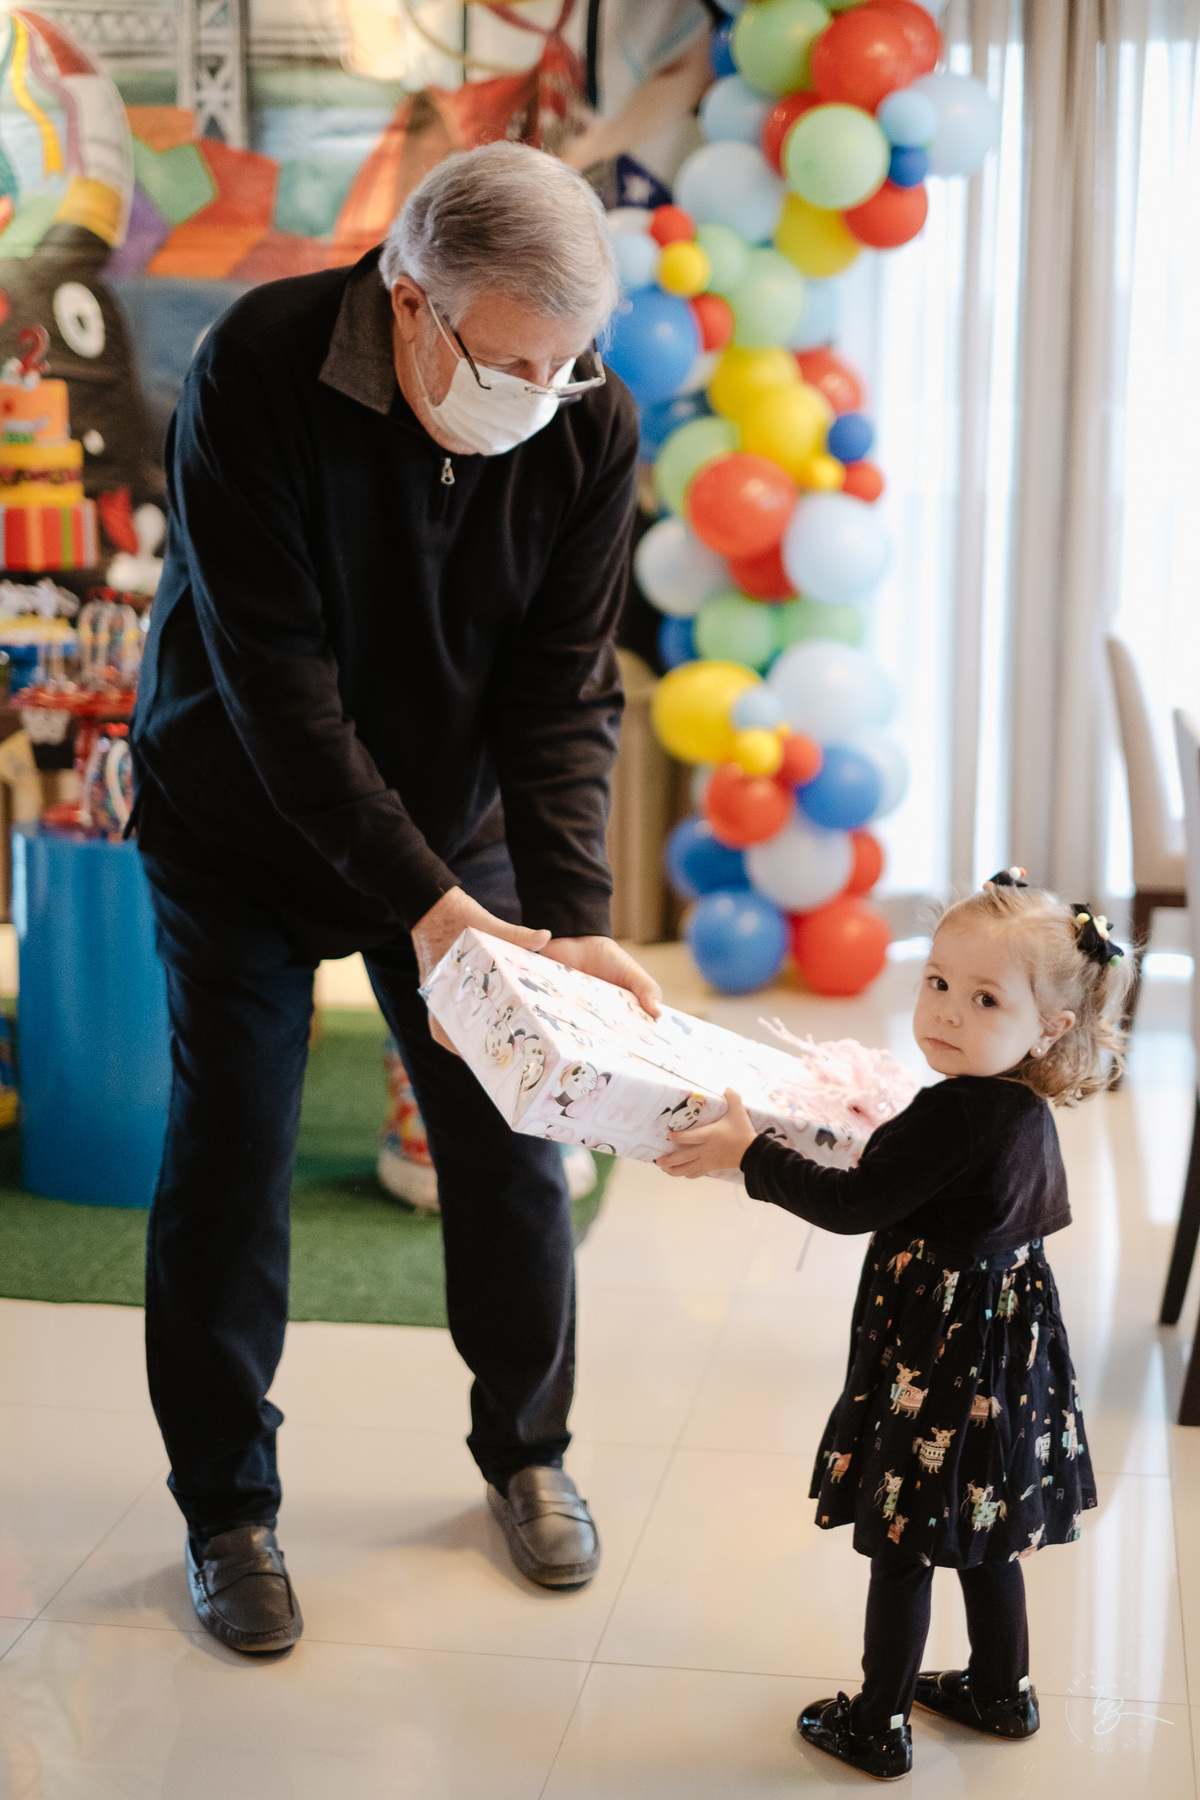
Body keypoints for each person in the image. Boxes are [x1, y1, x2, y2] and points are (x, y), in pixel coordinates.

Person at [131, 140, 661, 1656]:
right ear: (412, 304)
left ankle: (529, 1453)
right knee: (232, 1151)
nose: (543, 390)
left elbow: (562, 698)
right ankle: (226, 1505)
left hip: (453, 825)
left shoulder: (583, 417)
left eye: (568, 362)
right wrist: (432, 917)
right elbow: (279, 697)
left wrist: (569, 923)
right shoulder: (262, 367)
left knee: (513, 1138)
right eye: (512, 359)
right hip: (237, 817)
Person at [657, 870, 1131, 1781]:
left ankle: (878, 1720)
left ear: (1049, 1028)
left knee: (907, 1540)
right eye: (937, 981)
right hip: (1006, 1353)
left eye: (984, 997)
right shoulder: (1022, 1107)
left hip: (939, 1358)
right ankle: (1002, 1689)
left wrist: (749, 1154)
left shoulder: (953, 1113)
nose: (947, 1011)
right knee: (985, 1530)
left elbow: (851, 1206)